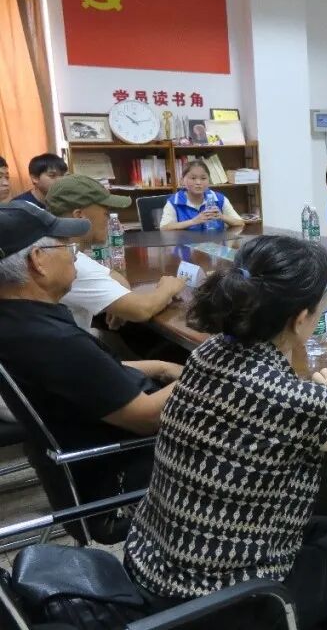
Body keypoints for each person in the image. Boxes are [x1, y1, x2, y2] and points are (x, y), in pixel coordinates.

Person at [124, 235, 327, 630]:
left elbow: (293, 402)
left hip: (155, 565)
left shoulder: (211, 352)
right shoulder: (284, 399)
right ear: (300, 319)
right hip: (220, 601)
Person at [0, 203, 177, 539]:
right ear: (38, 260)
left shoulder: (19, 319)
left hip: (88, 458)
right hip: (123, 479)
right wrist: (208, 366)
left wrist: (162, 366)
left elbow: (86, 375)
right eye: (68, 248)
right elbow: (148, 418)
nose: (75, 256)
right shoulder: (51, 339)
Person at [46, 175, 187, 330]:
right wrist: (169, 287)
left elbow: (111, 275)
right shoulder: (69, 264)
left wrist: (116, 299)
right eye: (106, 213)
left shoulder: (56, 248)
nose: (109, 220)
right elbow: (142, 310)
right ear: (79, 216)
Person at [159, 159, 244, 231]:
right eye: (193, 178)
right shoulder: (174, 201)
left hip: (216, 244)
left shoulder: (219, 199)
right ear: (182, 181)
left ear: (209, 180)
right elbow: (164, 228)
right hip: (186, 244)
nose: (198, 182)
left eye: (203, 178)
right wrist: (193, 222)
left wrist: (221, 216)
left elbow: (240, 223)